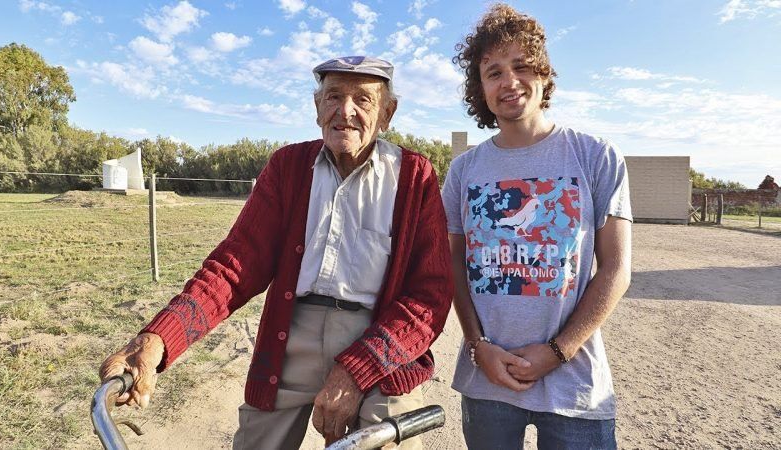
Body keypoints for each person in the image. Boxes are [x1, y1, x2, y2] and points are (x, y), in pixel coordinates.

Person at [99, 56, 453, 449]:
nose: (345, 111)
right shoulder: (288, 166)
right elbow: (234, 267)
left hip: (379, 341)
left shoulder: (414, 175)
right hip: (291, 338)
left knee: (387, 440)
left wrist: (357, 371)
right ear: (317, 107)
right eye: (334, 96)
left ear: (387, 113)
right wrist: (157, 338)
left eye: (363, 100)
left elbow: (430, 296)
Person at [443, 4, 632, 449]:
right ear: (480, 89)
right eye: (493, 72)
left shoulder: (596, 157)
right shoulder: (464, 171)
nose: (509, 81)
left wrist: (558, 351)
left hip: (574, 385)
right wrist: (478, 346)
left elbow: (616, 269)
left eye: (521, 66)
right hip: (487, 381)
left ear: (544, 74)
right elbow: (453, 265)